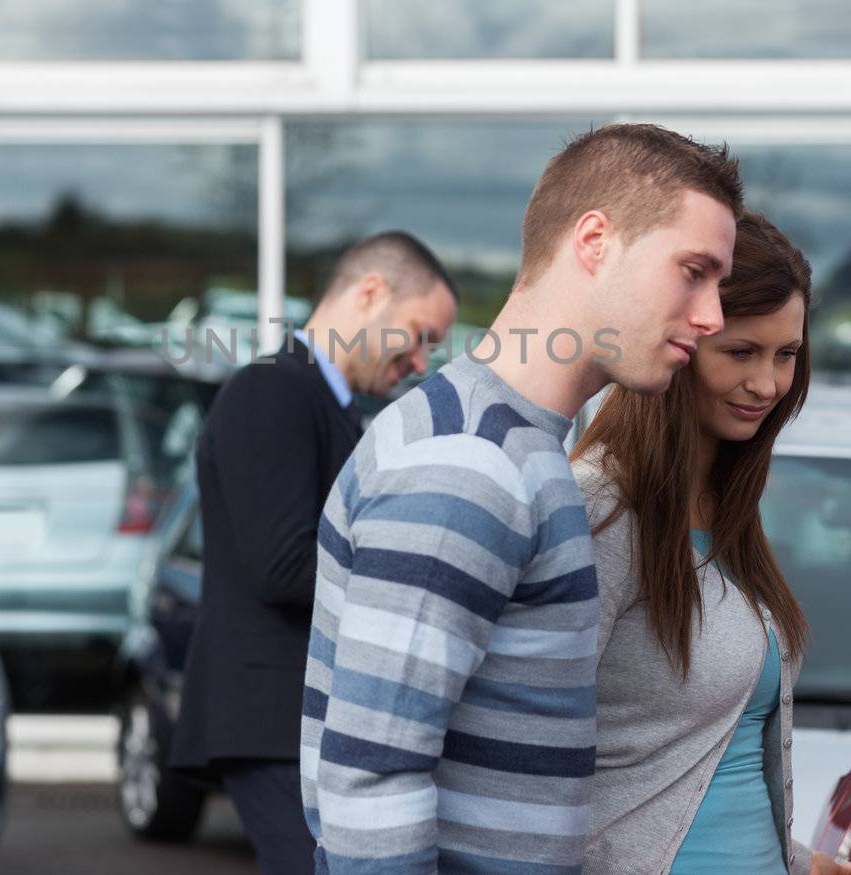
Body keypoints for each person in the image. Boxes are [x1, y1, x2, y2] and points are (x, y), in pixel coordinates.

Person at [302, 123, 743, 874]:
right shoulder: (469, 461)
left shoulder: (517, 446)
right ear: (595, 240)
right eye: (692, 270)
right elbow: (372, 777)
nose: (713, 317)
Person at [570, 212, 851, 875]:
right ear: (679, 340)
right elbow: (522, 755)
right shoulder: (598, 511)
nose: (768, 385)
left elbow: (705, 760)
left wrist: (799, 860)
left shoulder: (730, 510)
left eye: (786, 355)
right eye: (742, 352)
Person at [171, 231, 458, 875]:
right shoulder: (270, 390)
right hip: (271, 719)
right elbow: (283, 567)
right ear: (369, 293)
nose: (419, 363)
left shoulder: (326, 403)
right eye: (418, 335)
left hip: (295, 718)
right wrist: (420, 582)